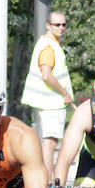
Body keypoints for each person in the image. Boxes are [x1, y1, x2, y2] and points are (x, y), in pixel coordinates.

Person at [21, 11, 74, 172]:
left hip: (50, 102)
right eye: (57, 24)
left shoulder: (50, 44)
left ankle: (46, 182)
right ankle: (47, 183)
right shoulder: (48, 47)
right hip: (52, 102)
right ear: (48, 26)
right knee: (50, 142)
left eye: (64, 24)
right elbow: (47, 75)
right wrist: (65, 94)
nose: (62, 28)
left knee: (49, 142)